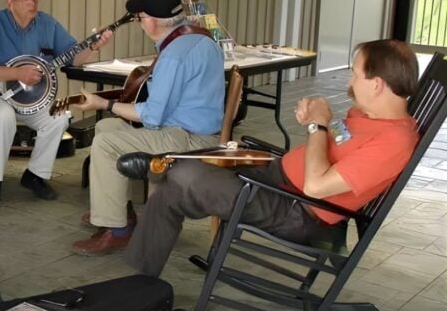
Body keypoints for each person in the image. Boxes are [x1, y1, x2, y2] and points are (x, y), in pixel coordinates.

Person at [124, 39, 420, 277]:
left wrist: (317, 126)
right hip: (278, 178)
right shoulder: (369, 115)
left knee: (184, 176)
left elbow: (317, 187)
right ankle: (142, 276)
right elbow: (340, 142)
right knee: (192, 168)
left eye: (355, 74)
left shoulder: (394, 142)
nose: (351, 81)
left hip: (298, 209)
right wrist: (321, 122)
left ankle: (156, 173)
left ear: (377, 84)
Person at [69, 0, 225, 256]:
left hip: (189, 138)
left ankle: (117, 231)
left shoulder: (174, 55)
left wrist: (104, 103)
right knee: (106, 126)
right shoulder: (200, 38)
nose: (140, 22)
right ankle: (119, 211)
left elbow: (152, 117)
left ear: (152, 22)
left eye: (140, 17)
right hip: (197, 128)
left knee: (105, 144)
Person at [0, 0, 112, 213]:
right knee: (3, 119)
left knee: (60, 116)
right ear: (10, 1)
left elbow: (73, 56)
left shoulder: (47, 24)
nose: (33, 2)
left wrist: (93, 47)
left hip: (35, 100)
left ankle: (35, 174)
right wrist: (17, 74)